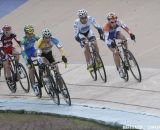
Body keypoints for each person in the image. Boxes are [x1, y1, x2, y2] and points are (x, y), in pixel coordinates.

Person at [103, 12, 135, 78]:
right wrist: (111, 43)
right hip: (109, 39)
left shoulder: (118, 22)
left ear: (116, 20)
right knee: (116, 52)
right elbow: (106, 39)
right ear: (108, 21)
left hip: (116, 33)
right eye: (112, 22)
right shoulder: (106, 27)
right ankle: (119, 69)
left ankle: (126, 56)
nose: (114, 23)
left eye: (115, 21)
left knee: (124, 39)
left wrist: (131, 34)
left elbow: (125, 27)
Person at [21, 25, 40, 96]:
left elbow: (41, 41)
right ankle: (34, 85)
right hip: (26, 53)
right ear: (26, 33)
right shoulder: (23, 40)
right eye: (29, 34)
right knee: (31, 68)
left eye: (32, 33)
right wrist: (27, 59)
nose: (31, 35)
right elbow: (22, 51)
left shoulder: (34, 36)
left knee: (41, 55)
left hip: (32, 50)